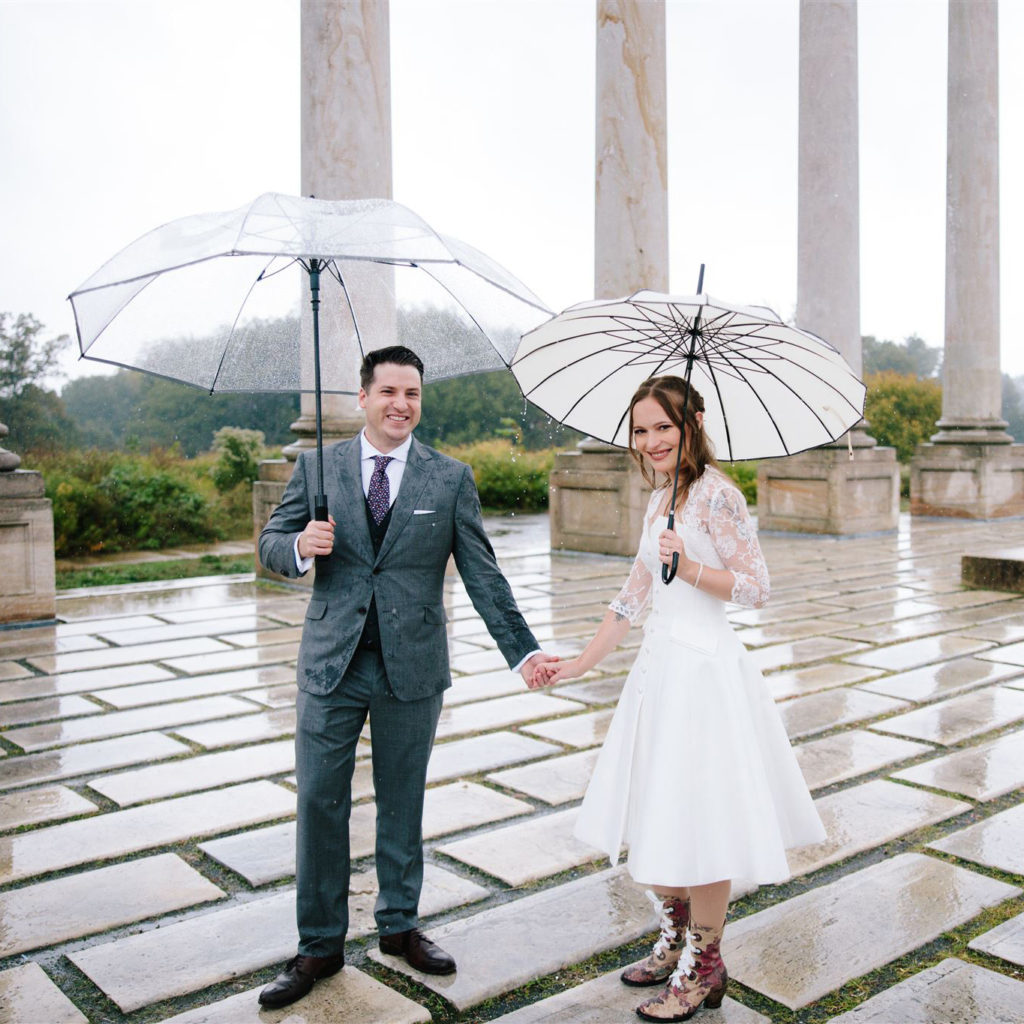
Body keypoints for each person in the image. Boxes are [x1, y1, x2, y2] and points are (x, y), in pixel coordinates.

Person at [257, 345, 556, 1009]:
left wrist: (523, 650)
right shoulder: (318, 467)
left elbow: (483, 573)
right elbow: (269, 544)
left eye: (412, 393)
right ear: (362, 397)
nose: (401, 404)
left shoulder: (449, 479)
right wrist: (301, 547)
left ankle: (399, 925)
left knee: (403, 800)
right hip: (330, 665)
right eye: (388, 391)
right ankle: (318, 944)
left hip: (411, 667)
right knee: (318, 803)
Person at [534, 375, 825, 1023]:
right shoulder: (659, 497)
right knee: (655, 808)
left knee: (702, 817)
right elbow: (632, 597)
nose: (651, 440)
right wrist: (577, 662)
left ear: (691, 422)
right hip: (658, 674)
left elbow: (756, 588)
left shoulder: (718, 496)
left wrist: (688, 564)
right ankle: (674, 939)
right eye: (639, 430)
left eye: (663, 426)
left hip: (705, 676)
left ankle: (706, 964)